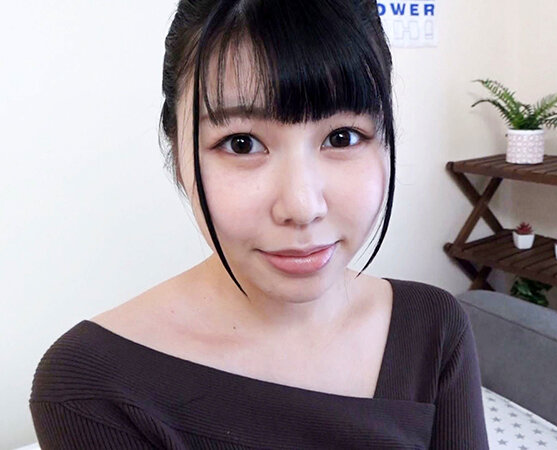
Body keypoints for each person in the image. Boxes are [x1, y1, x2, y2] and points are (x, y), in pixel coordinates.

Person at [29, 0, 488, 448]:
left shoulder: (433, 328)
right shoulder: (93, 388)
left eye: (342, 137)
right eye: (242, 143)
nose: (302, 206)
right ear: (176, 153)